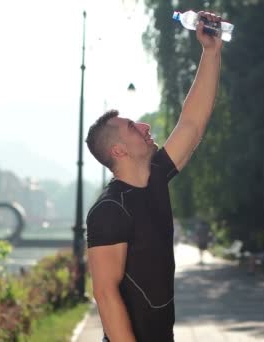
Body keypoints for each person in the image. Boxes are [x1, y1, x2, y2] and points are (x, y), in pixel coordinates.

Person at [85, 11, 223, 342]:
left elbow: (191, 123)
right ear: (118, 151)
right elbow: (105, 295)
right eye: (133, 127)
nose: (145, 126)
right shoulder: (108, 211)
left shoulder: (156, 177)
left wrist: (211, 52)